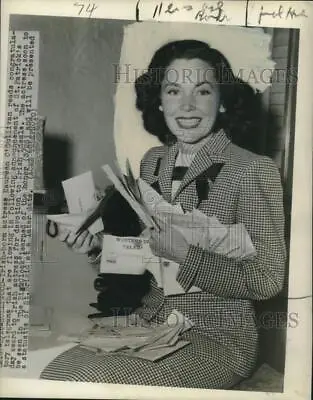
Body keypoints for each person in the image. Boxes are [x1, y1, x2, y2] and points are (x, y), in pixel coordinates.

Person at [40, 39, 286, 389]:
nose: (187, 106)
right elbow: (147, 255)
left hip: (217, 338)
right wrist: (95, 246)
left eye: (202, 91)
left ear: (223, 100)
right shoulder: (154, 162)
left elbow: (268, 280)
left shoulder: (252, 170)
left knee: (88, 380)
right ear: (158, 98)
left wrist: (188, 255)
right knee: (56, 374)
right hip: (149, 320)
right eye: (173, 90)